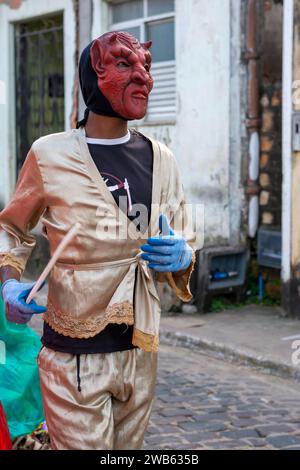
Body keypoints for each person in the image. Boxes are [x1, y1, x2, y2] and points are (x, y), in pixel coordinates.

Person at [0, 31, 196, 450]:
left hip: (141, 352)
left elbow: (183, 237)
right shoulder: (49, 155)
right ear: (93, 76)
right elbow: (13, 229)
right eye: (125, 64)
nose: (142, 76)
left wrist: (180, 256)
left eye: (145, 65)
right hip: (73, 356)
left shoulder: (163, 159)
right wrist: (8, 283)